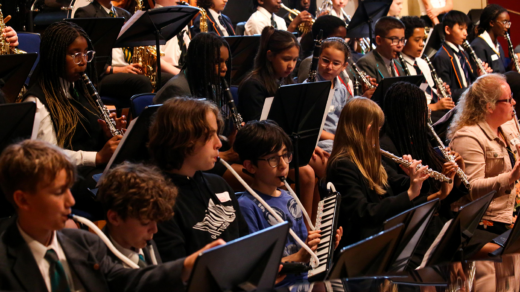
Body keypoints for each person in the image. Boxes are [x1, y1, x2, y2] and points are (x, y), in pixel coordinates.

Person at [0, 139, 225, 292]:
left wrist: (187, 265)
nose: (71, 201)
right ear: (22, 200)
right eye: (59, 192)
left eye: (70, 189)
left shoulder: (83, 243)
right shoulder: (3, 264)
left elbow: (128, 281)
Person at [23, 21, 126, 218]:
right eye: (75, 54)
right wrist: (97, 157)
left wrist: (107, 135)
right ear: (55, 57)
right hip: (67, 178)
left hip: (94, 171)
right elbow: (47, 157)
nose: (83, 61)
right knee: (126, 197)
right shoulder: (37, 101)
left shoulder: (82, 89)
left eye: (86, 53)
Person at [234, 120, 343, 286]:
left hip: (304, 283)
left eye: (286, 155)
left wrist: (324, 247)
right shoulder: (246, 206)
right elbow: (255, 268)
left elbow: (305, 251)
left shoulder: (288, 197)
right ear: (250, 166)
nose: (283, 165)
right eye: (272, 159)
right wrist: (298, 258)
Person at [238, 27, 327, 223]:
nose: (292, 65)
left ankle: (319, 225)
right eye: (287, 59)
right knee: (306, 173)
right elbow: (259, 132)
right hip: (263, 151)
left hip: (285, 147)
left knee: (326, 163)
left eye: (295, 60)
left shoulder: (286, 81)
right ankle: (305, 229)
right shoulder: (253, 84)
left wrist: (305, 146)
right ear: (270, 55)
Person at [149, 97, 249, 262]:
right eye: (210, 135)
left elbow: (246, 242)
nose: (219, 143)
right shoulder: (160, 200)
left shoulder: (218, 184)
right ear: (183, 139)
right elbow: (176, 272)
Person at [326, 97, 430, 248]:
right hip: (360, 246)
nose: (378, 137)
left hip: (379, 237)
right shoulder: (342, 166)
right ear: (368, 130)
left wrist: (415, 177)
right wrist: (409, 194)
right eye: (378, 131)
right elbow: (364, 214)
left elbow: (394, 182)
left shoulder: (368, 158)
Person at [449, 74, 519, 237]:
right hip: (488, 218)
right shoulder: (468, 137)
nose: (513, 103)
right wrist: (511, 176)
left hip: (511, 209)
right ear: (489, 106)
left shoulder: (508, 126)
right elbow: (471, 189)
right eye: (508, 100)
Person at [97, 162, 177, 267]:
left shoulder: (144, 242)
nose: (154, 230)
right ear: (114, 218)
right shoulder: (100, 262)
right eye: (145, 222)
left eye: (156, 221)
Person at [74, 0, 155, 99]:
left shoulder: (124, 14)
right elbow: (82, 54)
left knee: (163, 78)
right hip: (101, 75)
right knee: (142, 82)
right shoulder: (86, 13)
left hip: (128, 68)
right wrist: (116, 69)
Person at [399, 16, 454, 120]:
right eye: (417, 40)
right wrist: (436, 106)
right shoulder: (399, 66)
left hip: (432, 110)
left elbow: (424, 89)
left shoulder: (422, 63)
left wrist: (439, 92)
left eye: (423, 39)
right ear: (404, 40)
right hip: (420, 115)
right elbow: (409, 105)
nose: (422, 44)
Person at [432, 10, 491, 101]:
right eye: (461, 29)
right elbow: (446, 93)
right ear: (448, 30)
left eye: (466, 29)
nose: (465, 33)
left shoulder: (463, 52)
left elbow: (470, 81)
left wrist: (480, 76)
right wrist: (473, 89)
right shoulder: (442, 56)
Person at [307, 37, 353, 153]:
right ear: (317, 58)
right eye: (325, 60)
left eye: (336, 63)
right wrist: (339, 138)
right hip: (320, 143)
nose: (329, 67)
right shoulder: (310, 87)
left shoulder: (341, 88)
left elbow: (344, 120)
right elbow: (309, 128)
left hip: (338, 141)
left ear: (344, 66)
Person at [356, 16, 406, 83]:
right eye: (394, 39)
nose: (400, 45)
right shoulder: (366, 63)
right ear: (379, 40)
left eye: (402, 40)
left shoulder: (399, 61)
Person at [155, 0, 192, 76]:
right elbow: (154, 58)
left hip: (182, 68)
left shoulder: (180, 17)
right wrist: (182, 74)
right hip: (167, 72)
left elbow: (189, 48)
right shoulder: (154, 19)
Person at [470, 4, 509, 74]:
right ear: (491, 23)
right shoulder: (478, 46)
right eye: (504, 22)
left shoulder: (498, 45)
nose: (507, 26)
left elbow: (502, 71)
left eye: (508, 23)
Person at [244, 0, 313, 35]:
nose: (279, 1)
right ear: (261, 1)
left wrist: (308, 31)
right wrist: (293, 25)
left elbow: (290, 45)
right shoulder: (256, 21)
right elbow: (273, 50)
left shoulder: (279, 20)